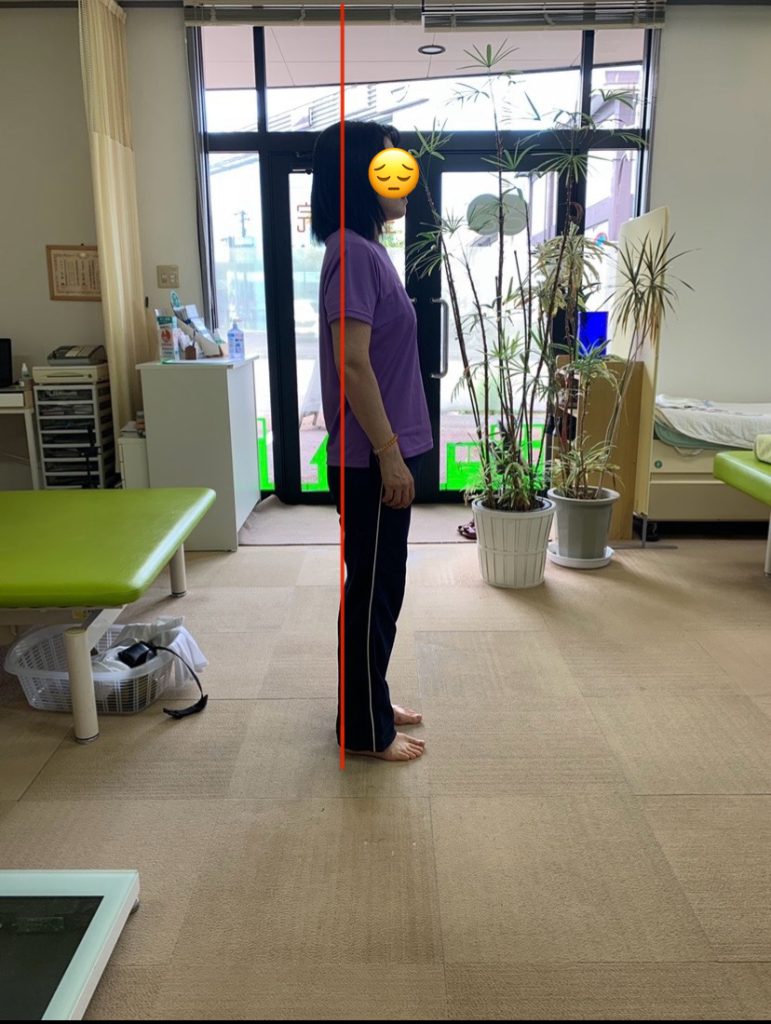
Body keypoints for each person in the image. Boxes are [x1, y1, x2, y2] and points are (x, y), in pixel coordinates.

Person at [311, 120, 433, 763]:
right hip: (370, 457)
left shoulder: (362, 249)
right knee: (374, 591)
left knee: (380, 588)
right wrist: (388, 455)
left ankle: (368, 700)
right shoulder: (354, 253)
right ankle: (362, 730)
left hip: (379, 451)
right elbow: (353, 364)